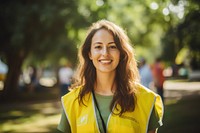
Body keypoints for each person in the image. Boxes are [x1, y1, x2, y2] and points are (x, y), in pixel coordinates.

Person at [57, 20, 164, 133]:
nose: (105, 53)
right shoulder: (71, 102)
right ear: (89, 54)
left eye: (112, 46)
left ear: (121, 53)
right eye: (98, 47)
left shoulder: (146, 99)